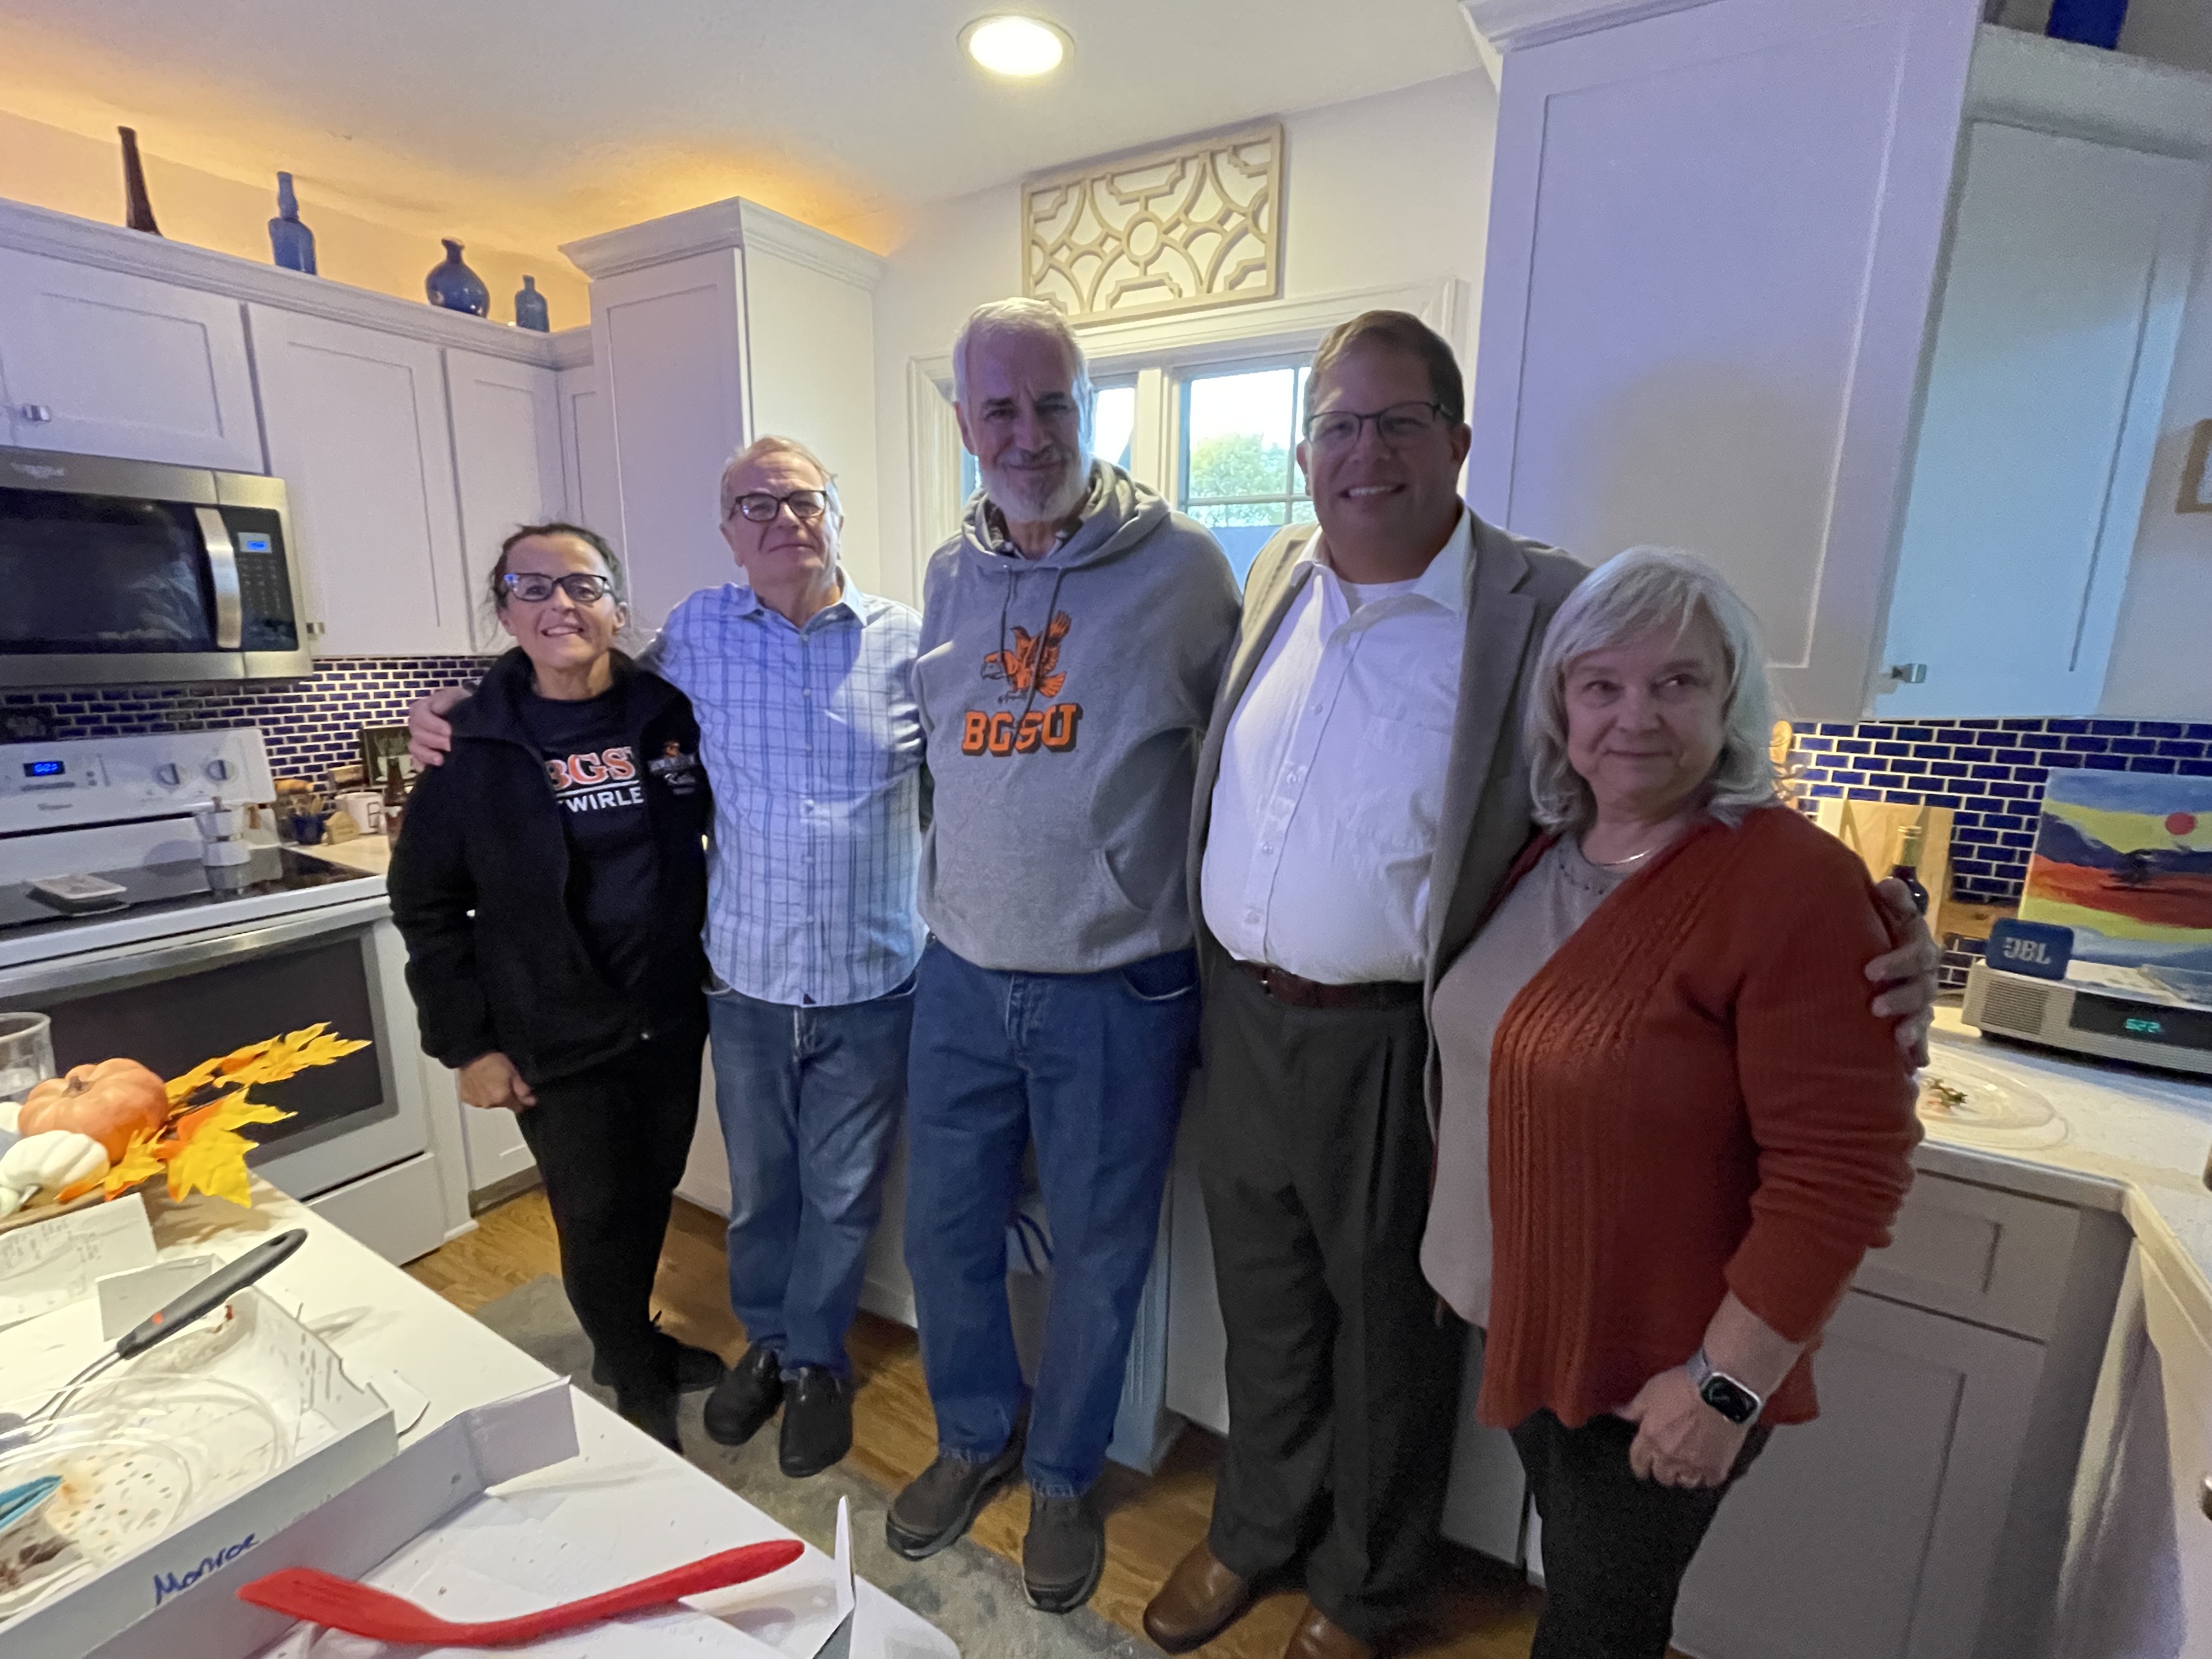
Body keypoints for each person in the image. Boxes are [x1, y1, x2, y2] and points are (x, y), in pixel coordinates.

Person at [1149, 311, 1938, 1659]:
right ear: (1303, 451)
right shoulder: (1279, 572)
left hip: (1405, 1037)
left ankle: (1367, 1585)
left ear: (1457, 443)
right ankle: (1253, 1529)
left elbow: (1676, 755)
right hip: (1245, 1014)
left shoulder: (1546, 604)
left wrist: (1882, 914)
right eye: (1340, 423)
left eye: (1400, 422)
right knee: (1267, 1305)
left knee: (1392, 1340)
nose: (1367, 451)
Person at [1422, 545, 1920, 1656]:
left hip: (1660, 1369)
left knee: (1601, 1628)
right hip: (1541, 1339)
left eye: (1677, 682)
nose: (1634, 716)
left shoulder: (1786, 880)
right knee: (1589, 1590)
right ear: (1561, 703)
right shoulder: (1553, 850)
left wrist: (1726, 1389)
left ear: (1731, 696)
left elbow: (1844, 1172)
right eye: (1601, 684)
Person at [407, 439, 924, 1481]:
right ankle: (749, 1346)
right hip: (734, 986)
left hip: (858, 983)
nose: (782, 520)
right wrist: (449, 712)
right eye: (753, 505)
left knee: (842, 1188)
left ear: (835, 513)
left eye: (801, 499)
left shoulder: (903, 645)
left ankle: (814, 1359)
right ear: (728, 531)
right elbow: (553, 679)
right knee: (757, 1189)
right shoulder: (693, 640)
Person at [888, 297, 1240, 1615]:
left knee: (1101, 1252)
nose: (1027, 434)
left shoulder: (1187, 570)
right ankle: (975, 1436)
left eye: (1053, 406)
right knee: (944, 1232)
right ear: (964, 419)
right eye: (999, 409)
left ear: (1090, 409)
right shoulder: (947, 574)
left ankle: (1063, 1474)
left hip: (1119, 985)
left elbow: (1236, 767)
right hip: (963, 973)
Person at [389, 523, 715, 1450]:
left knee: (651, 1189)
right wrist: (466, 1045)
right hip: (550, 1024)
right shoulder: (474, 740)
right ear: (504, 610)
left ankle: (626, 1340)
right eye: (532, 587)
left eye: (582, 585)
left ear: (617, 608)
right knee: (594, 1209)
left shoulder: (668, 713)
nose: (559, 605)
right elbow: (425, 900)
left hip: (665, 1011)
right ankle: (633, 1371)